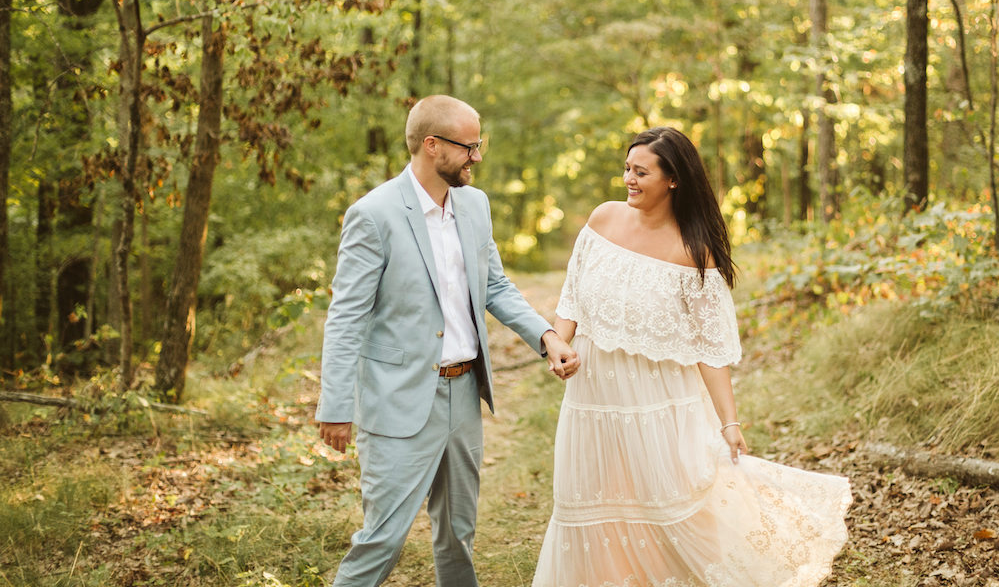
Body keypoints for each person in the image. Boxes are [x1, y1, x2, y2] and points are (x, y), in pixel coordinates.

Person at [532, 127, 852, 587]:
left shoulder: (693, 253)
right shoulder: (602, 219)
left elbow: (710, 349)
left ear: (673, 180)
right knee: (593, 501)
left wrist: (730, 422)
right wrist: (559, 343)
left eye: (641, 172)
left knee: (668, 504)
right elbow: (572, 300)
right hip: (592, 402)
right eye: (627, 169)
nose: (629, 179)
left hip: (658, 404)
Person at [315, 94, 580, 587]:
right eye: (470, 146)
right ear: (432, 146)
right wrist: (335, 406)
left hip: (464, 395)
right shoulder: (372, 215)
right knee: (383, 540)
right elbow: (346, 316)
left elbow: (495, 286)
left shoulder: (475, 205)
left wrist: (545, 336)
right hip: (399, 399)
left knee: (458, 533)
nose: (478, 156)